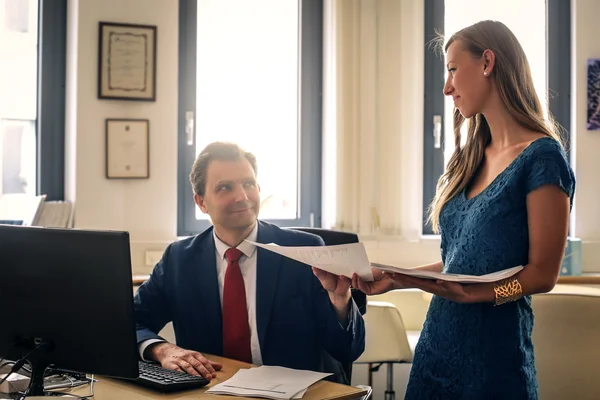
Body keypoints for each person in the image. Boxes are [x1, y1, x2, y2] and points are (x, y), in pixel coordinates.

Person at [352, 20, 575, 399]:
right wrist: (395, 276)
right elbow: (461, 263)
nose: (447, 87)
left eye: (453, 69)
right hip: (436, 348)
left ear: (487, 62)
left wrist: (479, 294)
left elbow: (542, 275)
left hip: (494, 359)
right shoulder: (469, 158)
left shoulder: (543, 158)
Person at [134, 141, 365, 381]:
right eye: (225, 188)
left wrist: (340, 301)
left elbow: (348, 350)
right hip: (212, 393)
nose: (242, 197)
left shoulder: (304, 251)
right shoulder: (179, 260)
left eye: (248, 184)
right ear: (201, 202)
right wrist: (161, 349)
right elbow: (132, 322)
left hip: (295, 394)